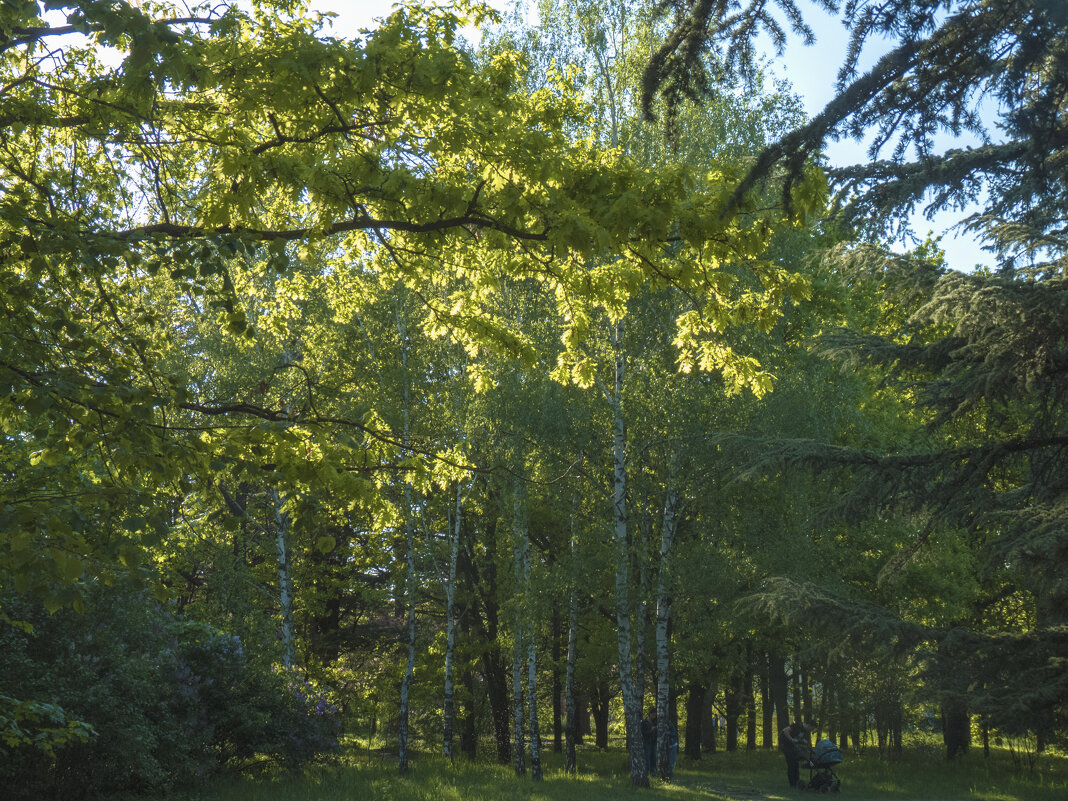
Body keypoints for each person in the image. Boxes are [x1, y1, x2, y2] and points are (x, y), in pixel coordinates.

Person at [780, 720, 814, 788]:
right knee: (791, 763)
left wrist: (802, 741)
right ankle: (792, 784)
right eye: (811, 728)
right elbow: (785, 730)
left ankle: (796, 782)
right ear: (808, 725)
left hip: (792, 747)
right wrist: (791, 739)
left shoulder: (803, 730)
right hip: (786, 745)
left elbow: (797, 737)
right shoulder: (797, 725)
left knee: (796, 764)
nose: (810, 730)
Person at [640, 707, 657, 773]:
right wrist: (651, 730)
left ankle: (653, 772)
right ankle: (647, 772)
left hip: (654, 742)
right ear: (650, 714)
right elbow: (643, 733)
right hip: (647, 742)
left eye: (655, 715)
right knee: (647, 758)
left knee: (654, 758)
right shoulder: (644, 722)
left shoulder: (655, 722)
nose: (654, 717)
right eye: (653, 715)